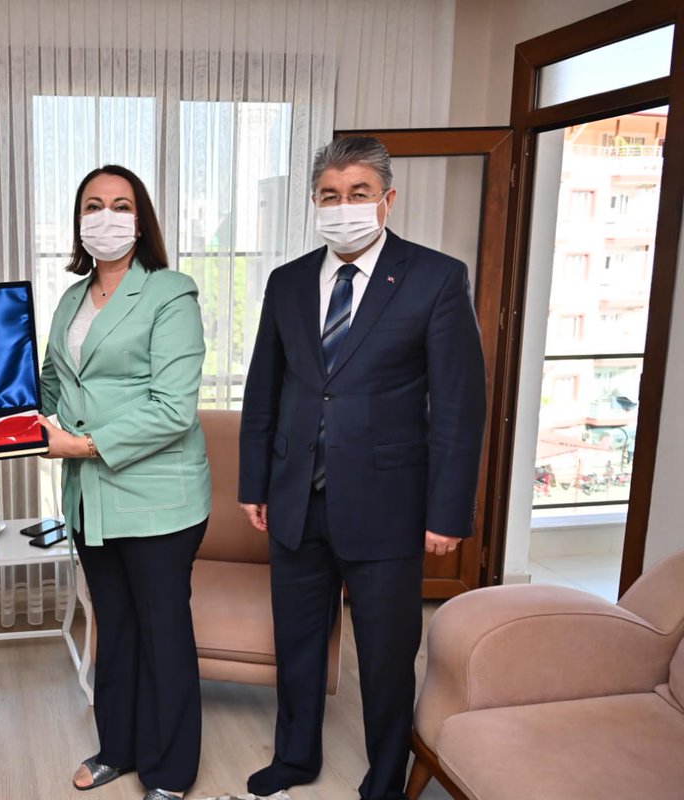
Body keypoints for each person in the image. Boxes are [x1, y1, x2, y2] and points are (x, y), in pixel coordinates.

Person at [238, 137, 486, 800]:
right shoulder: (287, 282)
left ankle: (384, 777)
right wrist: (255, 482)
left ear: (387, 200)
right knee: (297, 641)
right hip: (295, 498)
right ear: (315, 203)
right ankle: (295, 757)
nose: (343, 206)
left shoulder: (436, 278)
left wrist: (447, 512)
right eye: (330, 195)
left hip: (388, 505)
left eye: (358, 193)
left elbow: (458, 407)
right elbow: (264, 389)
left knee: (385, 655)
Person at [39, 165, 211, 800]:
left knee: (162, 633)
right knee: (114, 626)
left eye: (119, 205)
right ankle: (118, 747)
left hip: (160, 498)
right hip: (93, 499)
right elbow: (51, 386)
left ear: (140, 222)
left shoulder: (170, 293)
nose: (105, 217)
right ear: (78, 221)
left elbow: (173, 408)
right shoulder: (70, 299)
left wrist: (83, 445)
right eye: (93, 205)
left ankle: (171, 771)